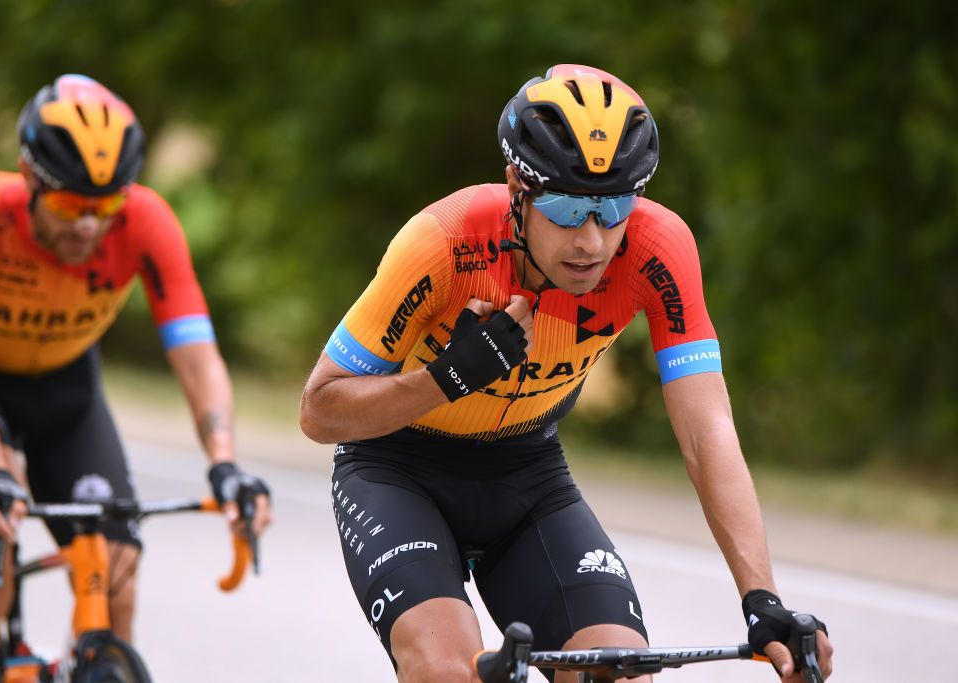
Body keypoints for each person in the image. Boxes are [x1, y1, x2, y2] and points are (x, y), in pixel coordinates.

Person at [299, 64, 833, 682]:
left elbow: (706, 432)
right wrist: (445, 379)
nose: (592, 240)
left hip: (526, 473)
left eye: (613, 207)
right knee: (448, 669)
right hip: (400, 469)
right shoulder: (443, 242)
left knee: (618, 671)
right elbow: (320, 411)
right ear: (517, 189)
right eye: (567, 205)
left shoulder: (659, 250)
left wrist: (760, 597)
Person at [0, 74, 272, 683]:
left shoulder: (145, 222)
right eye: (69, 206)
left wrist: (224, 462)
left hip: (67, 386)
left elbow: (197, 356)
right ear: (28, 177)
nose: (89, 227)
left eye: (107, 205)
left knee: (115, 562)